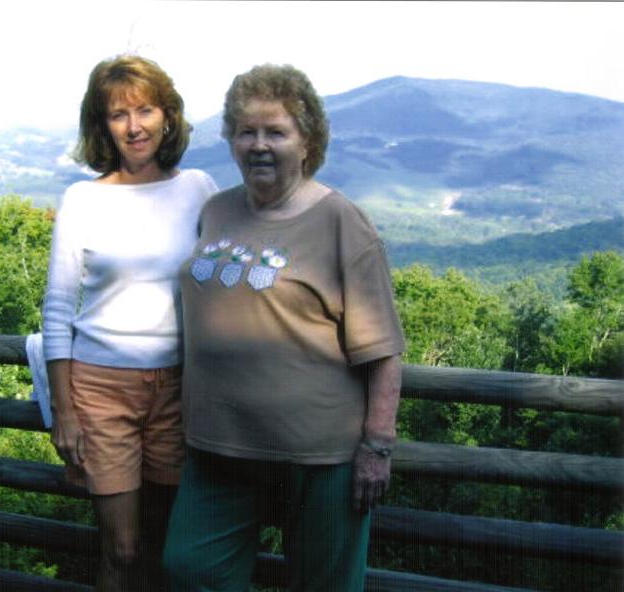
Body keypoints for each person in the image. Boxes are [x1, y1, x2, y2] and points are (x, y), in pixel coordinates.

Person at [163, 64, 405, 592]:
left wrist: (377, 447)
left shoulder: (342, 222)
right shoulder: (216, 211)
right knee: (190, 568)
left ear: (307, 140)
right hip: (217, 447)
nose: (259, 145)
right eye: (246, 131)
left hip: (320, 455)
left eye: (276, 132)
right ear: (231, 140)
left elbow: (383, 349)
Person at [41, 55, 218, 591]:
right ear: (103, 125)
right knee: (121, 548)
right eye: (119, 115)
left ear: (168, 117)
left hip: (179, 390)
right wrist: (64, 412)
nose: (134, 126)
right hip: (102, 390)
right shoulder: (83, 199)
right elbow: (57, 307)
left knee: (168, 544)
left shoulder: (199, 189)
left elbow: (223, 278)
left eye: (145, 110)